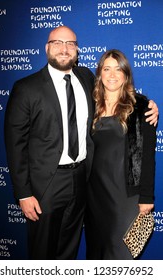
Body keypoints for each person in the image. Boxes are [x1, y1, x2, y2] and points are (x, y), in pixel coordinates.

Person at [4, 26, 158, 260]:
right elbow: (15, 144)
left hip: (83, 182)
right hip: (47, 186)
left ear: (77, 49)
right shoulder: (26, 88)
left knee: (71, 249)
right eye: (57, 43)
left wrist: (149, 106)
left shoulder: (85, 79)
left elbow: (143, 148)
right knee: (42, 253)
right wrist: (23, 194)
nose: (64, 49)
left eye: (70, 44)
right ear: (47, 47)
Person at [84, 49, 157, 260]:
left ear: (126, 74)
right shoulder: (90, 107)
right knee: (97, 254)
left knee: (120, 256)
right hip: (94, 196)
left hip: (126, 197)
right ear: (100, 74)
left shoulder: (142, 107)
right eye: (107, 69)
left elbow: (147, 158)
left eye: (118, 69)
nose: (112, 74)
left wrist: (146, 197)